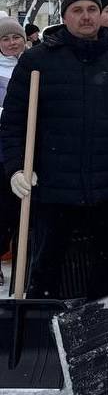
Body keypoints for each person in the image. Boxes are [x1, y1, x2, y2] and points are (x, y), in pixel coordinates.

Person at [1, 0, 108, 298]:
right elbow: (13, 123)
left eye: (91, 9)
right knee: (48, 267)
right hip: (53, 186)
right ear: (64, 17)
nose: (86, 16)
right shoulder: (37, 60)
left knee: (106, 267)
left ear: (99, 14)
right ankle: (42, 331)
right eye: (77, 10)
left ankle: (100, 330)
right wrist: (16, 168)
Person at [0, 18, 27, 283]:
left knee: (25, 208)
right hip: (3, 147)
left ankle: (22, 259)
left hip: (29, 145)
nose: (11, 43)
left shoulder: (31, 64)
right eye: (5, 39)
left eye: (15, 37)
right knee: (3, 207)